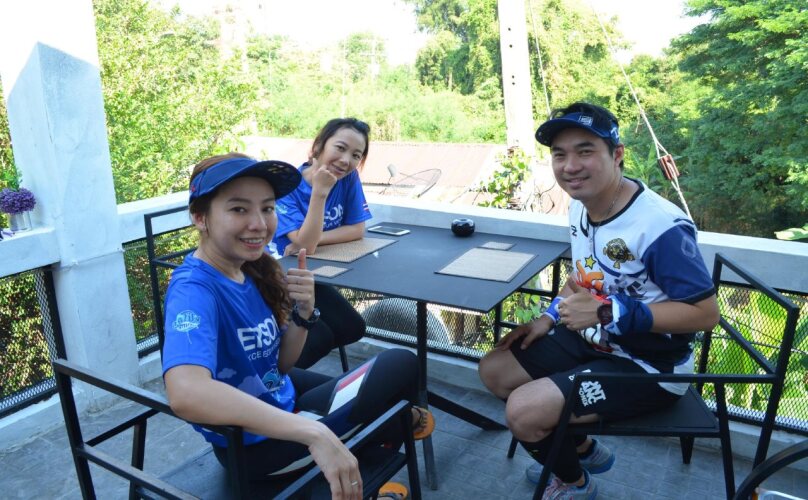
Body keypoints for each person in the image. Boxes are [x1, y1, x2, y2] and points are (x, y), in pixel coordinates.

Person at [478, 102, 719, 499]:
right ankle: (583, 449)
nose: (570, 166)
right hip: (593, 341)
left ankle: (575, 484)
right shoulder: (580, 206)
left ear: (617, 153)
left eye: (585, 151)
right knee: (495, 369)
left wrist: (608, 311)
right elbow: (584, 277)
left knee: (523, 412)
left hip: (649, 365)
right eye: (560, 155)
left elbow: (705, 314)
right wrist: (548, 317)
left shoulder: (659, 226)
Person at [161, 153, 433, 499]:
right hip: (259, 450)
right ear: (201, 217)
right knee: (401, 363)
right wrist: (312, 432)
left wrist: (304, 313)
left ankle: (382, 448)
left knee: (382, 394)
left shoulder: (250, 269)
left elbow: (279, 365)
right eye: (239, 209)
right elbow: (185, 393)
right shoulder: (194, 290)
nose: (259, 224)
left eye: (267, 208)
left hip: (276, 396)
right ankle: (384, 448)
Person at [272, 118, 373, 368]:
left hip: (314, 274)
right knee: (320, 338)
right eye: (340, 148)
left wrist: (312, 239)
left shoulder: (348, 178)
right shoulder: (288, 186)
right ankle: (277, 375)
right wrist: (319, 192)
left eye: (356, 155)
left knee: (353, 327)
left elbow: (357, 229)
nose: (346, 160)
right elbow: (306, 246)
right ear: (318, 146)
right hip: (279, 277)